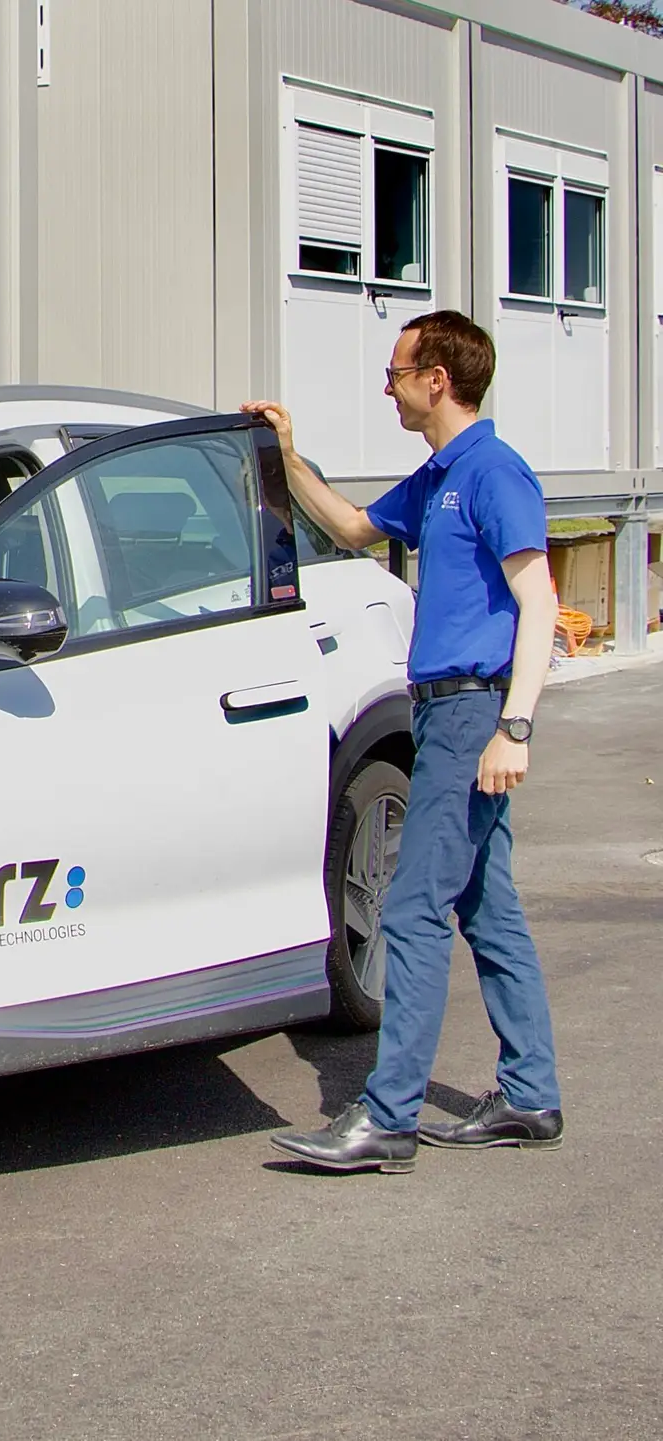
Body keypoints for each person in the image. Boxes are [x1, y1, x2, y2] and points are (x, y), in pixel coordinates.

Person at [244, 310, 565, 1173]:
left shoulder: (495, 473)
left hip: (472, 713)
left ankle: (388, 1118)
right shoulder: (440, 477)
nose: (386, 386)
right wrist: (287, 455)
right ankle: (531, 1094)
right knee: (486, 908)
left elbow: (538, 602)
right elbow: (352, 528)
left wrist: (515, 726)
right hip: (446, 712)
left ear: (439, 380)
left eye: (396, 372)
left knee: (414, 910)